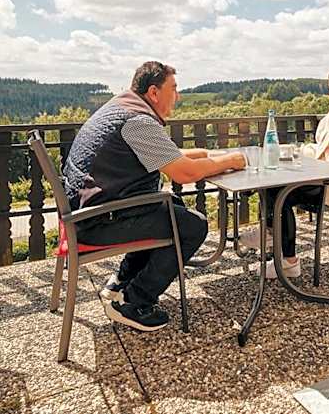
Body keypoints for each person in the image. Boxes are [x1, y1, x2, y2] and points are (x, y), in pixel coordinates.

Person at [62, 61, 245, 331]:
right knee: (192, 225)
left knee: (171, 206)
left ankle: (121, 283)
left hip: (85, 212)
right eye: (174, 88)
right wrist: (231, 160)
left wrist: (209, 155)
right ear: (154, 92)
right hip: (97, 222)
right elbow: (183, 173)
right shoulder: (137, 123)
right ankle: (134, 302)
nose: (178, 96)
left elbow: (171, 157)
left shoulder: (121, 108)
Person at [240, 66, 329, 278]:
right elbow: (318, 150)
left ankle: (282, 253)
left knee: (282, 193)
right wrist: (299, 151)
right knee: (272, 185)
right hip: (319, 179)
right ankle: (273, 236)